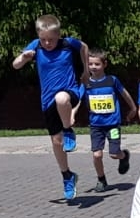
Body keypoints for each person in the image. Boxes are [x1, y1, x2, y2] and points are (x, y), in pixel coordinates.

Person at [11, 13, 88, 201]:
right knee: (56, 142)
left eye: (51, 40)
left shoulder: (68, 44)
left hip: (70, 92)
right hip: (47, 101)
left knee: (61, 98)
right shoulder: (35, 46)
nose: (47, 43)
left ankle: (69, 130)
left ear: (59, 34)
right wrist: (24, 57)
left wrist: (85, 70)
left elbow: (84, 47)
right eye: (43, 39)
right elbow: (15, 65)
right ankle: (67, 175)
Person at [81, 47, 137, 191]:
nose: (93, 67)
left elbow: (124, 93)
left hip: (112, 125)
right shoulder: (86, 82)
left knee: (113, 154)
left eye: (97, 64)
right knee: (97, 154)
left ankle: (123, 156)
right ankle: (101, 179)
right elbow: (78, 99)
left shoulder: (112, 80)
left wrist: (133, 108)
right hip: (96, 125)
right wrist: (72, 113)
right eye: (90, 64)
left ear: (104, 64)